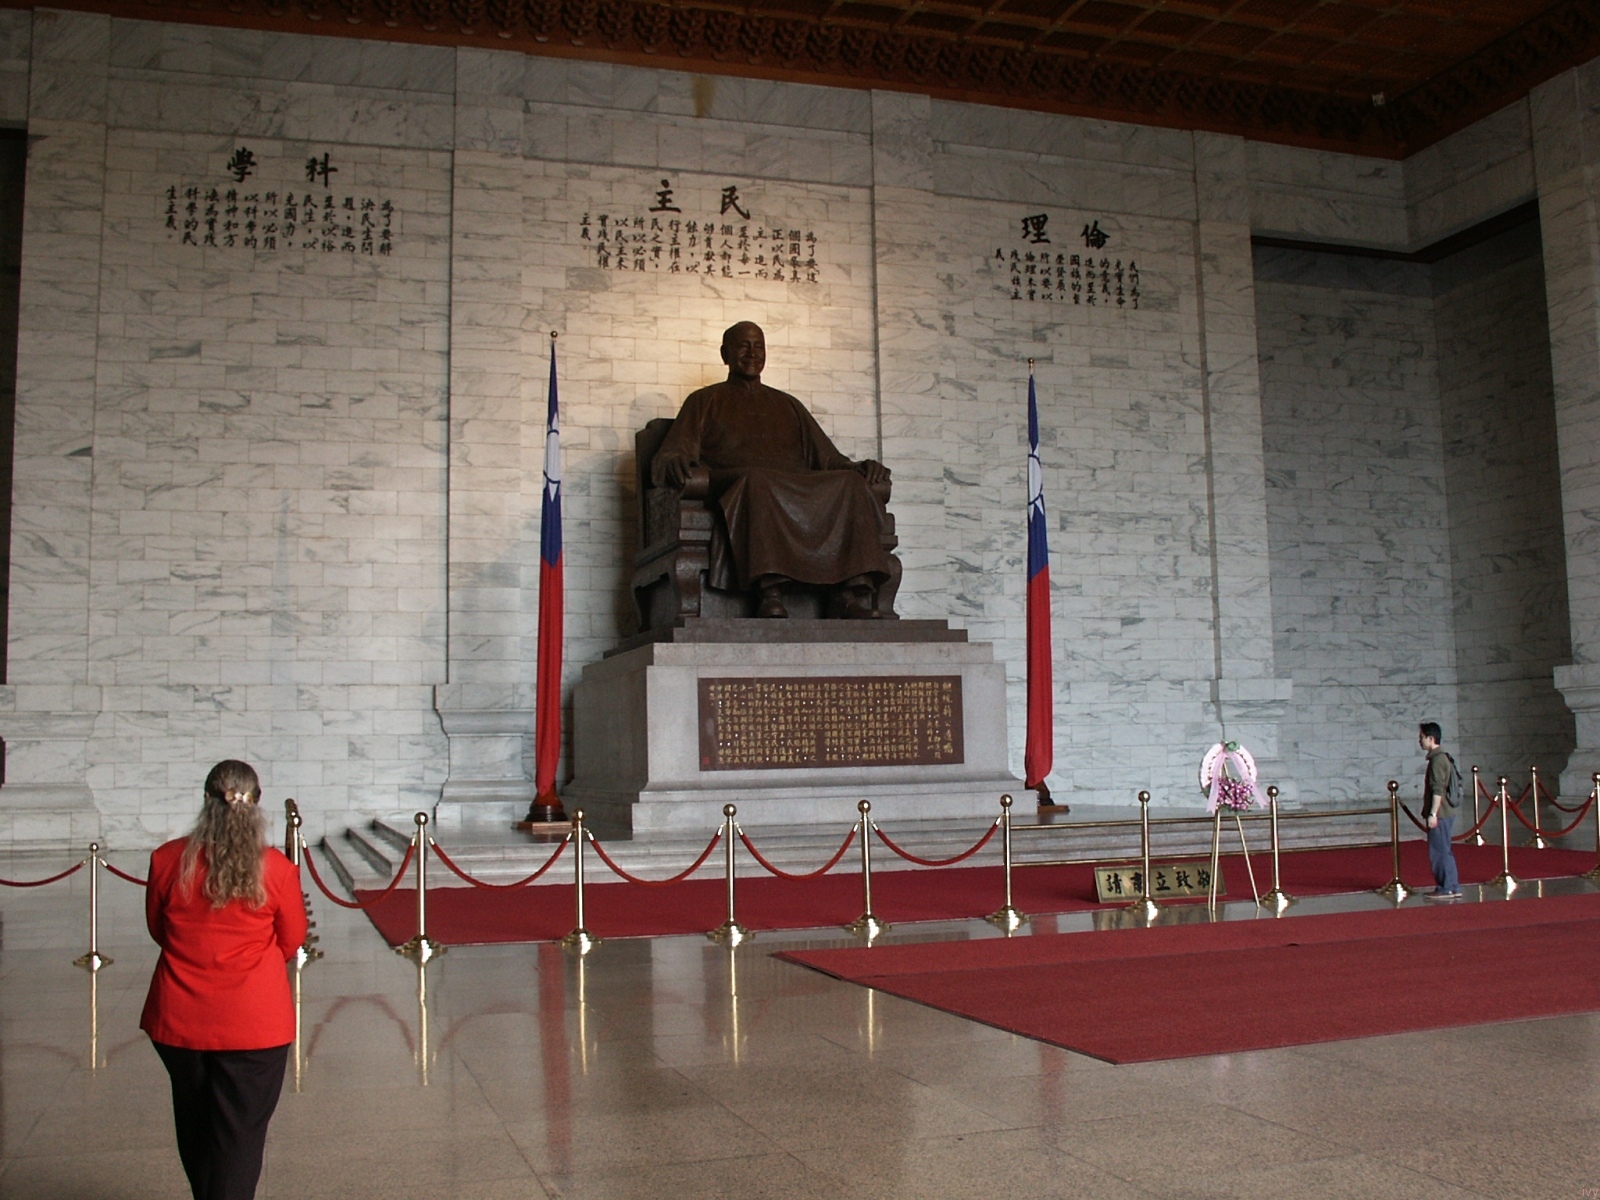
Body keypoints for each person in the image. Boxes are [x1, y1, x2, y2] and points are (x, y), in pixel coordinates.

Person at [140, 760, 308, 1200]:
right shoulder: (276, 868)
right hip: (254, 1022)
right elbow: (291, 940)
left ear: (205, 800)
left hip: (179, 1018)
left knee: (196, 1125)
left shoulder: (166, 859)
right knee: (239, 1136)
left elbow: (158, 929)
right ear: (257, 804)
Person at [652, 321, 897, 618]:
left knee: (850, 483)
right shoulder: (704, 401)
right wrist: (674, 460)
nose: (752, 353)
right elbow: (670, 454)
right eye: (743, 346)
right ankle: (770, 593)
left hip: (791, 482)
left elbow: (827, 457)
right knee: (758, 480)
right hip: (740, 482)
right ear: (725, 354)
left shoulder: (787, 404)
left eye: (759, 347)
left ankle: (847, 595)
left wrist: (858, 468)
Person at [1417, 722, 1462, 899]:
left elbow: (1438, 790)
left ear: (1431, 738)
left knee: (1439, 852)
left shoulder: (1437, 760)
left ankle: (1446, 887)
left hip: (1441, 813)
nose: (1419, 740)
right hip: (1445, 812)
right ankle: (1452, 886)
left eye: (1422, 737)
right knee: (1445, 850)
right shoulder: (1443, 757)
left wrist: (1433, 814)